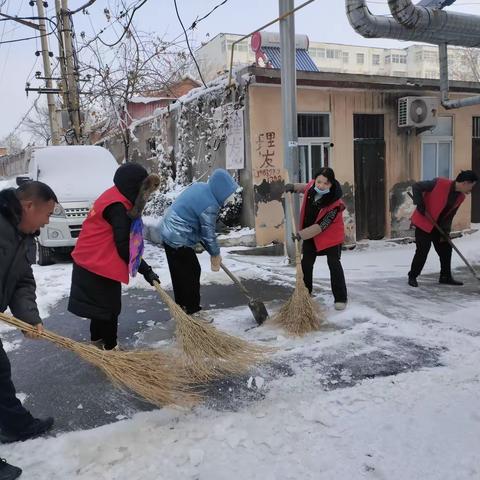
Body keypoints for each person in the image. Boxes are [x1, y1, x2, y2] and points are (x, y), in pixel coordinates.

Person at [68, 163, 160, 350]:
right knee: (109, 309)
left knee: (99, 308)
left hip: (90, 261)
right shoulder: (118, 206)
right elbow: (125, 248)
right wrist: (146, 270)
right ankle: (110, 348)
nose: (144, 195)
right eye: (142, 189)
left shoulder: (113, 196)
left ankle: (97, 343)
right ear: (133, 186)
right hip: (97, 263)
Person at [0, 182, 57, 478]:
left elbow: (22, 280)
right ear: (29, 206)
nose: (48, 221)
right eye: (47, 214)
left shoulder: (24, 237)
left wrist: (28, 317)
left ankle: (14, 425)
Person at [158, 169, 239, 318]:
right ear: (221, 189)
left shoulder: (201, 187)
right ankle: (192, 310)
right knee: (191, 271)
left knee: (179, 273)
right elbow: (208, 234)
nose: (229, 198)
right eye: (228, 193)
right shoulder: (210, 204)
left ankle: (183, 309)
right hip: (178, 236)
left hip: (168, 231)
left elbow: (196, 221)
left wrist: (210, 247)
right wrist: (215, 254)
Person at [286, 167, 348, 310]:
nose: (321, 185)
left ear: (331, 184)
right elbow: (305, 187)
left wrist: (301, 234)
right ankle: (305, 294)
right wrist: (293, 187)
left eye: (326, 183)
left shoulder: (335, 204)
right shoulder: (312, 186)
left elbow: (321, 226)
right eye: (319, 182)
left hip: (330, 236)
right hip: (310, 235)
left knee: (334, 264)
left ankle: (341, 298)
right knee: (306, 264)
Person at [408, 170, 478, 287]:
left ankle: (445, 277)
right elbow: (417, 186)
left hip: (438, 226)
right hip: (424, 222)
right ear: (465, 183)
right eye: (472, 186)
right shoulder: (439, 183)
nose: (471, 189)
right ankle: (412, 276)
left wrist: (445, 233)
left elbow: (450, 215)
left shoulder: (460, 197)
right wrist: (419, 203)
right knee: (423, 250)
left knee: (446, 249)